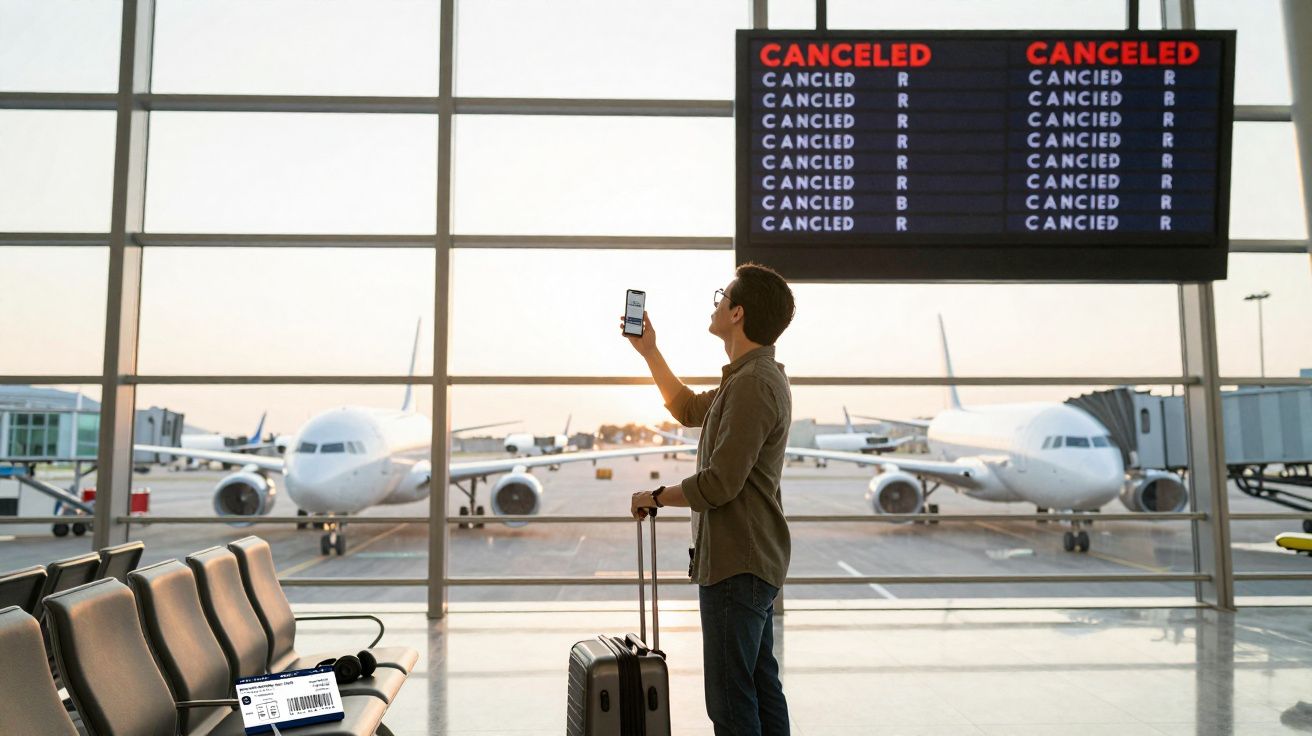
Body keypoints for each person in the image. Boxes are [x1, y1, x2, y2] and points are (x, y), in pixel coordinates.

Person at [621, 262, 795, 736]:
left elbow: (719, 484)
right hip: (749, 561)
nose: (715, 303)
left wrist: (655, 496)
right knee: (759, 685)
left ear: (737, 313)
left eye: (722, 297)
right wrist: (649, 352)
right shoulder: (745, 380)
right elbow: (686, 409)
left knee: (730, 701)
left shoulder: (754, 385)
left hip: (739, 564)